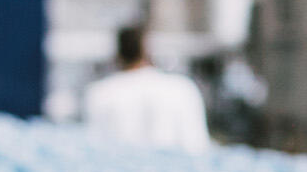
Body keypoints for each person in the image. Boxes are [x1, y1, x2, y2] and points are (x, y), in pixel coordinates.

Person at [78, 23, 211, 153]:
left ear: (118, 54)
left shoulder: (99, 93)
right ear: (149, 52)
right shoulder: (182, 89)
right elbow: (197, 145)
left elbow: (96, 147)